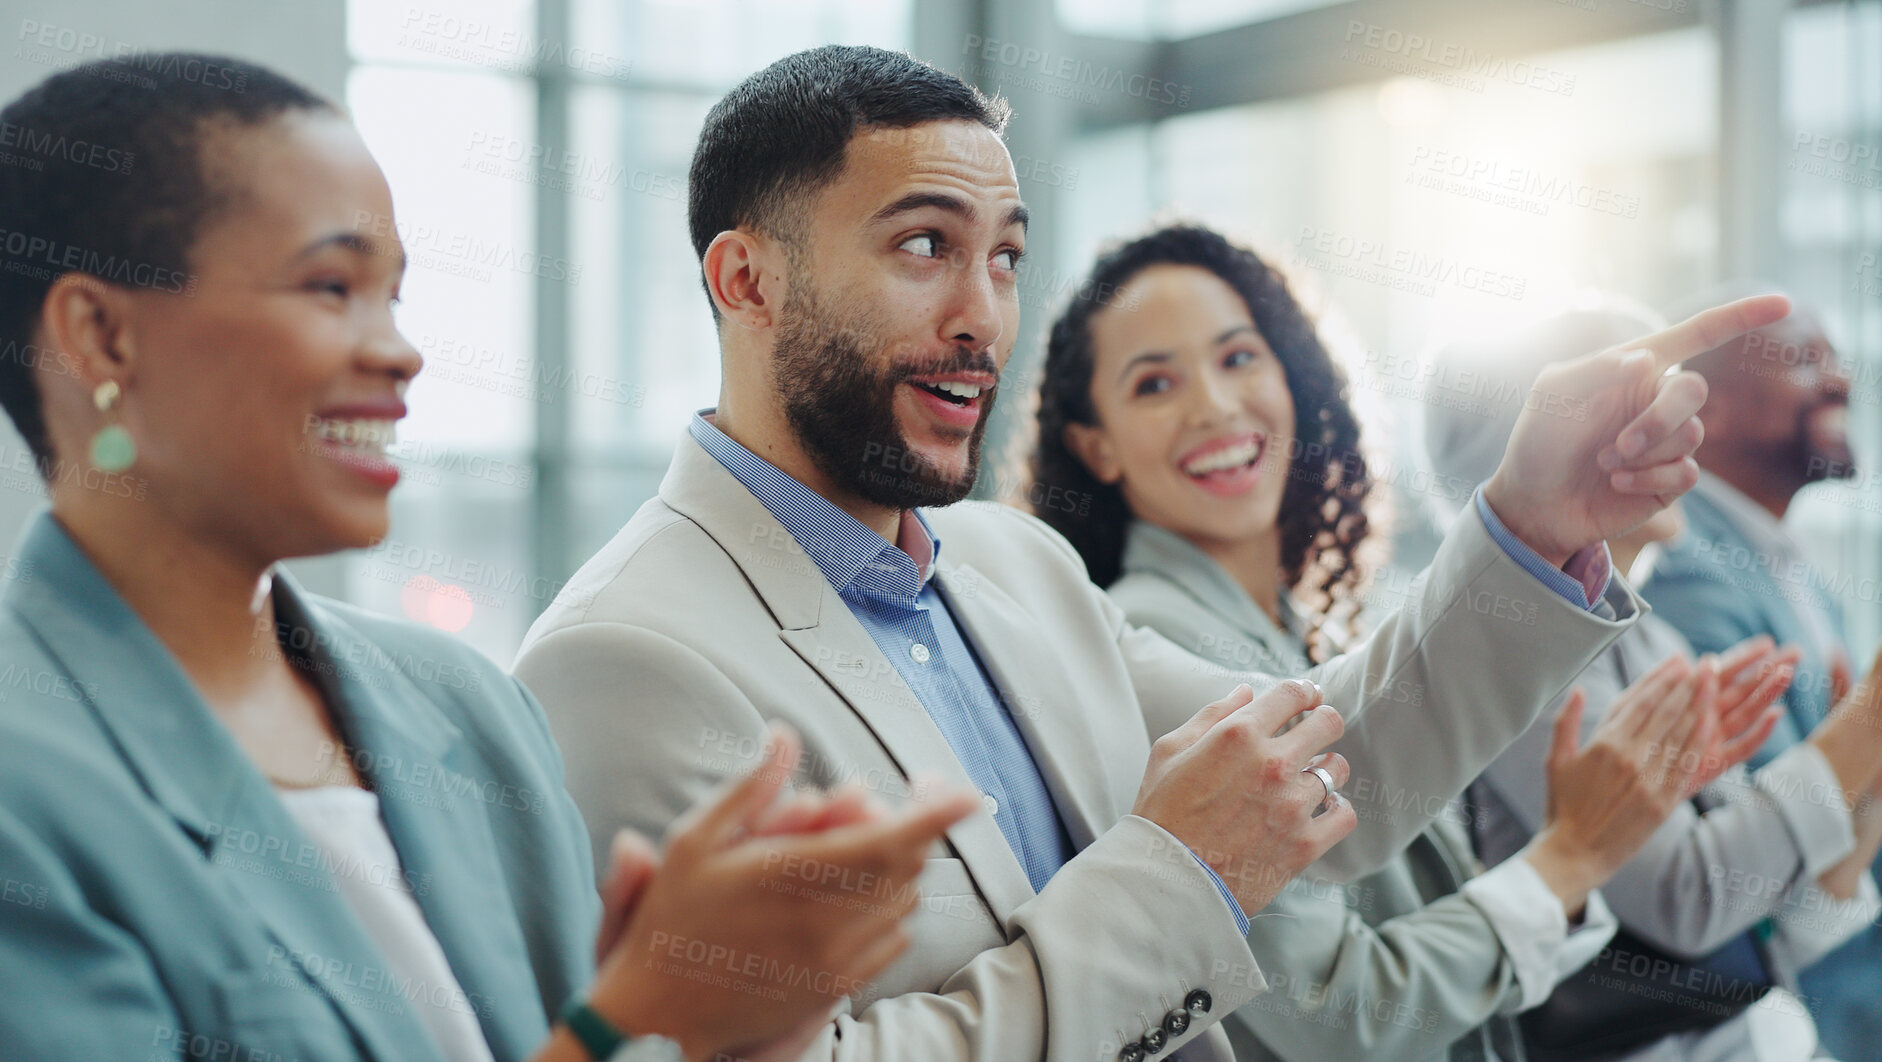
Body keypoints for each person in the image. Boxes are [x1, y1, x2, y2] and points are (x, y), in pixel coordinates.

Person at [514, 45, 1788, 1061]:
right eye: (922, 247)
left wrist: (1531, 521)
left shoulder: (1011, 565)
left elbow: (1325, 776)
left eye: (1004, 257)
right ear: (745, 281)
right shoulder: (621, 656)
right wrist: (1174, 875)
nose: (982, 318)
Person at [0, 55, 979, 1062]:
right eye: (331, 285)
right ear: (100, 337)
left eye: (393, 296)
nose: (400, 352)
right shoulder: (28, 788)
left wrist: (749, 1019)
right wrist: (639, 1019)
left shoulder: (467, 706)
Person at [1026, 225, 1793, 1062]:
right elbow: (1340, 1010)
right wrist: (1571, 857)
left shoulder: (1307, 628)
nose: (1212, 403)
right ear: (1092, 444)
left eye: (1239, 357)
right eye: (1154, 383)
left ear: (1293, 376)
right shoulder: (1161, 638)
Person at [1425, 303, 1882, 1062]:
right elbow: (1688, 900)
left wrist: (1860, 798)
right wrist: (1861, 727)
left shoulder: (1649, 636)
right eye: (1646, 408)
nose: (1687, 434)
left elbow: (1787, 923)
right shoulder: (1520, 648)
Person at [1635, 293, 1881, 1060]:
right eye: (1806, 359)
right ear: (1706, 406)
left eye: (1835, 358)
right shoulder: (1679, 566)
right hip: (1811, 1008)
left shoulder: (1781, 561)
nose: (1839, 382)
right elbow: (1779, 849)